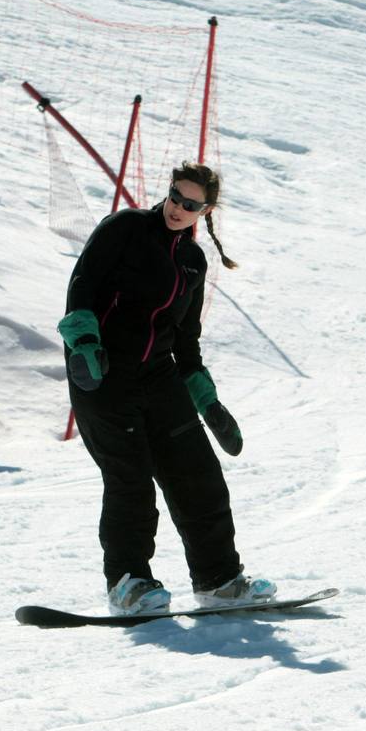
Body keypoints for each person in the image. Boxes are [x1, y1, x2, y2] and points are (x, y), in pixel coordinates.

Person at [57, 162, 277, 615]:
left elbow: (186, 341)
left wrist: (208, 402)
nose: (178, 207)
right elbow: (82, 285)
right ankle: (128, 584)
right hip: (102, 372)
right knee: (130, 481)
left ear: (206, 210)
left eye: (191, 204)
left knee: (199, 476)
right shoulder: (126, 228)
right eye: (176, 196)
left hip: (158, 378)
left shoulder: (193, 261)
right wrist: (82, 343)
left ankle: (219, 580)